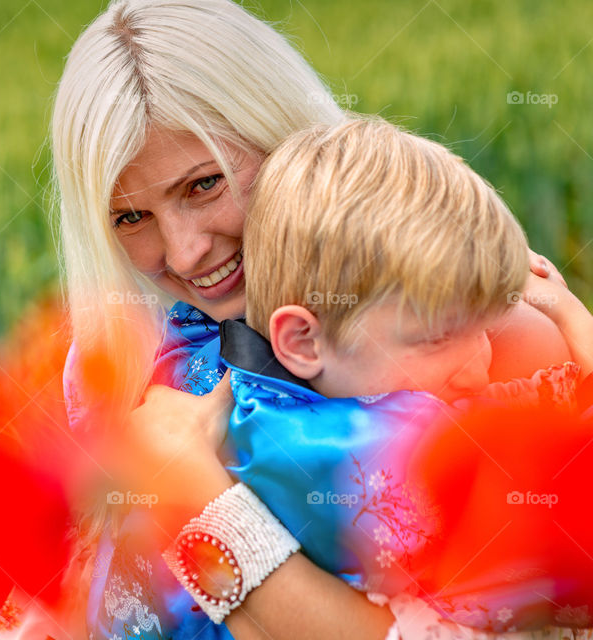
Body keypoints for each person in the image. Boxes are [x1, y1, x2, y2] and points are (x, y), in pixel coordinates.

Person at [51, 0, 580, 638]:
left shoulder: (475, 339)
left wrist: (202, 501)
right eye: (131, 218)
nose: (186, 250)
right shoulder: (132, 353)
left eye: (205, 184)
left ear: (278, 132)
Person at [198, 117, 590, 634]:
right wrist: (566, 312)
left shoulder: (285, 408)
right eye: (435, 338)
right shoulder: (360, 453)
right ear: (301, 340)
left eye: (485, 330)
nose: (479, 369)